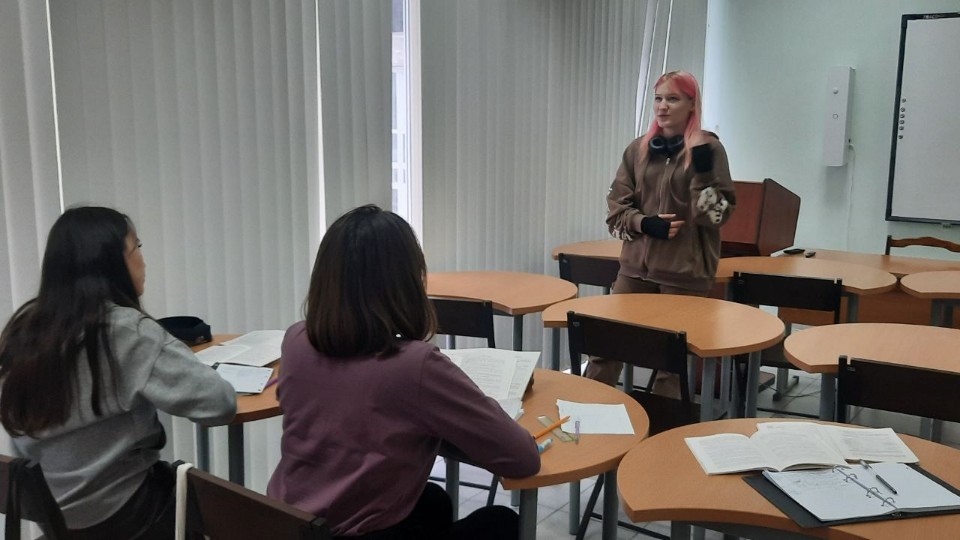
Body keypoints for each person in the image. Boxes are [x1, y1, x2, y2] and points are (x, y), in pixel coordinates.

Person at [268, 204, 540, 539]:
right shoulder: (414, 366)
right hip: (354, 530)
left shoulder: (296, 340)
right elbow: (523, 459)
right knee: (501, 522)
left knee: (432, 501)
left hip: (291, 524)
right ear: (407, 282)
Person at [0, 206, 237, 538]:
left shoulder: (23, 333)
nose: (143, 260)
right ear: (110, 264)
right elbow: (220, 404)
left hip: (56, 520)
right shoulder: (126, 332)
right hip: (127, 518)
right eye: (136, 247)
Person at [584, 70, 735, 388]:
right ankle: (588, 411)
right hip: (634, 271)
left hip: (684, 276)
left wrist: (702, 170)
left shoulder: (709, 150)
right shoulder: (637, 150)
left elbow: (717, 216)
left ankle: (664, 419)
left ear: (691, 104)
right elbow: (615, 212)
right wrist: (645, 223)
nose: (662, 106)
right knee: (604, 347)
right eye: (658, 98)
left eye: (673, 99)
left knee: (671, 365)